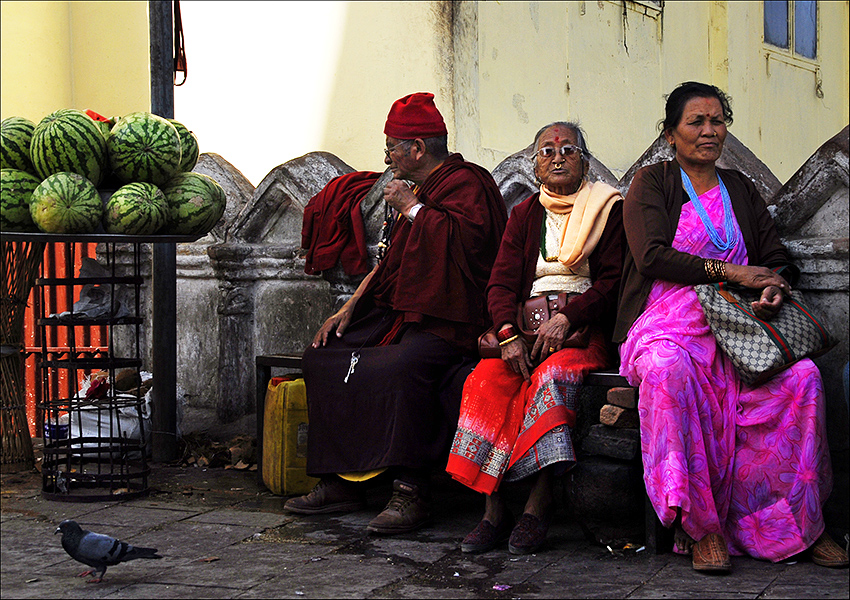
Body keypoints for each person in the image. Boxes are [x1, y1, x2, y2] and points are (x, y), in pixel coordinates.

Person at [615, 81, 847, 571]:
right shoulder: (651, 183)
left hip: (743, 329)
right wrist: (732, 272)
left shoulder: (739, 188)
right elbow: (651, 255)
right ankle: (700, 528)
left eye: (717, 120)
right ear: (670, 133)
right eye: (695, 122)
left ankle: (800, 524)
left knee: (803, 379)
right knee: (665, 371)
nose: (709, 131)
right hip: (670, 322)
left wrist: (772, 288)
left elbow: (776, 258)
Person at [285, 92, 508, 535]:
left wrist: (412, 207)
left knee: (404, 367)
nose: (386, 157)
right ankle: (340, 482)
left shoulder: (468, 183)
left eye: (390, 147)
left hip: (452, 321)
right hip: (402, 314)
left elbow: (472, 246)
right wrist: (347, 310)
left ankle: (411, 492)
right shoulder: (420, 193)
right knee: (323, 356)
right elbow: (389, 262)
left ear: (418, 149)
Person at [446, 122, 625, 554]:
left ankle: (537, 506)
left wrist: (568, 317)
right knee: (484, 382)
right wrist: (507, 334)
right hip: (524, 330)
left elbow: (612, 280)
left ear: (585, 160)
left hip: (580, 331)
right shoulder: (525, 214)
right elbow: (502, 283)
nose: (558, 157)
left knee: (550, 381)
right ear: (535, 166)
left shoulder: (608, 209)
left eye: (568, 149)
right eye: (546, 151)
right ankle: (492, 511)